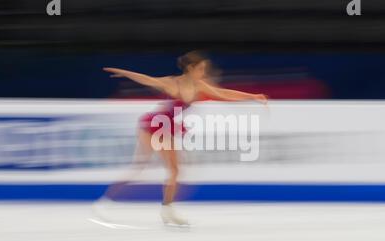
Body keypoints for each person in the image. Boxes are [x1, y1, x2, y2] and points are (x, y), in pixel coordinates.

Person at [101, 51, 267, 225]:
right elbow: (147, 79)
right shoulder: (172, 83)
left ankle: (167, 210)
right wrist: (126, 73)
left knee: (175, 171)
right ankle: (105, 202)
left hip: (168, 128)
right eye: (201, 68)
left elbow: (223, 94)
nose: (203, 72)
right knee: (141, 167)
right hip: (154, 125)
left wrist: (252, 96)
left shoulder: (200, 86)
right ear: (190, 68)